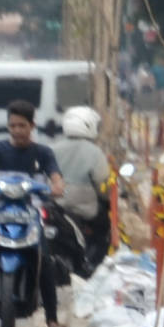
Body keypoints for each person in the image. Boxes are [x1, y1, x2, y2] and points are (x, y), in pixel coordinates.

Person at [0, 99, 66, 327]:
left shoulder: (43, 153)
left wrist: (57, 186)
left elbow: (55, 176)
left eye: (22, 125)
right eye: (13, 126)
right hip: (0, 212)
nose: (17, 131)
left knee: (45, 260)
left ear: (32, 126)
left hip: (30, 214)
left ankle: (51, 319)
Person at [51, 105, 116, 275]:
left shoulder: (52, 149)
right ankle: (94, 265)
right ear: (89, 126)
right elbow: (103, 186)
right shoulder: (95, 153)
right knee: (104, 228)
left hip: (53, 208)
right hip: (83, 211)